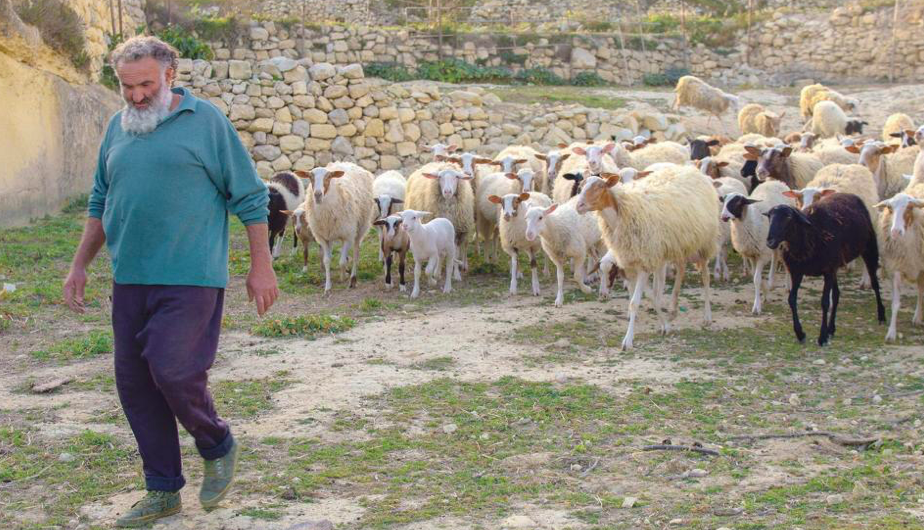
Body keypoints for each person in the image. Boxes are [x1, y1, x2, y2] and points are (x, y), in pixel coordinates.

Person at [62, 35, 278, 527]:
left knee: (173, 369)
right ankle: (162, 490)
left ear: (170, 76)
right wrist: (80, 265)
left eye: (146, 84)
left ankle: (216, 441)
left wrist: (259, 264)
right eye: (126, 86)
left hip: (190, 277)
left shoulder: (206, 123)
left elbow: (248, 196)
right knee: (135, 384)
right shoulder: (118, 127)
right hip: (131, 278)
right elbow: (101, 200)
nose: (136, 96)